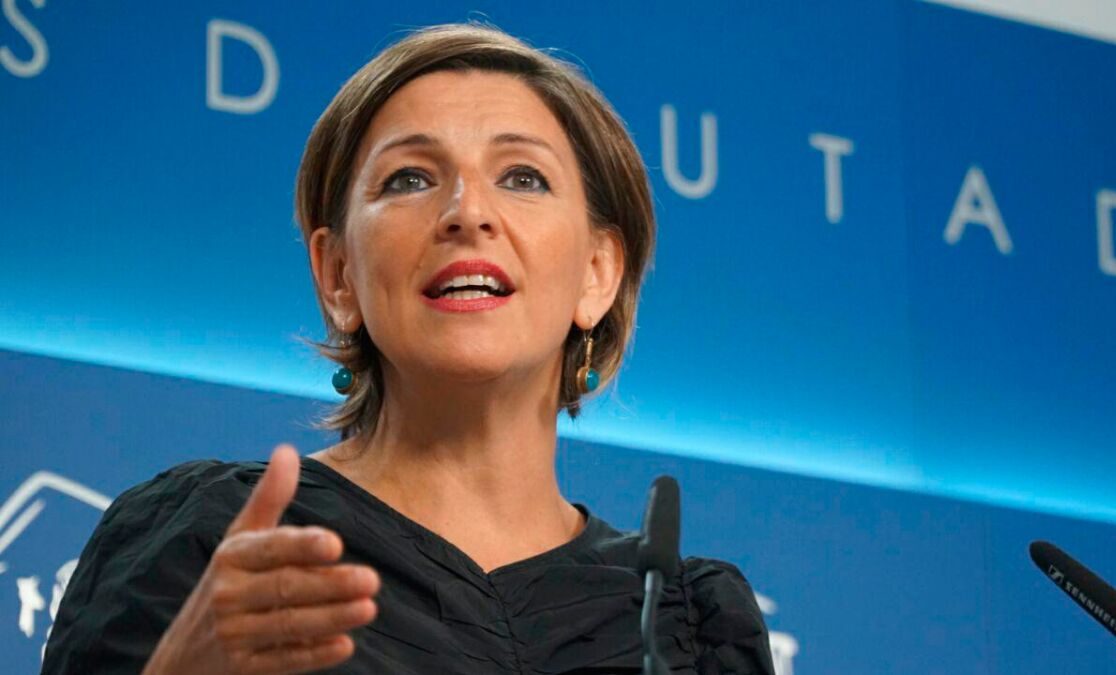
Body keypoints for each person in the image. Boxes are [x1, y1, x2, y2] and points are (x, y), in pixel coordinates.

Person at [42, 24, 774, 674]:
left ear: (597, 273)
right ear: (339, 276)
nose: (468, 212)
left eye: (522, 177)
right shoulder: (216, 544)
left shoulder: (692, 625)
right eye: (410, 178)